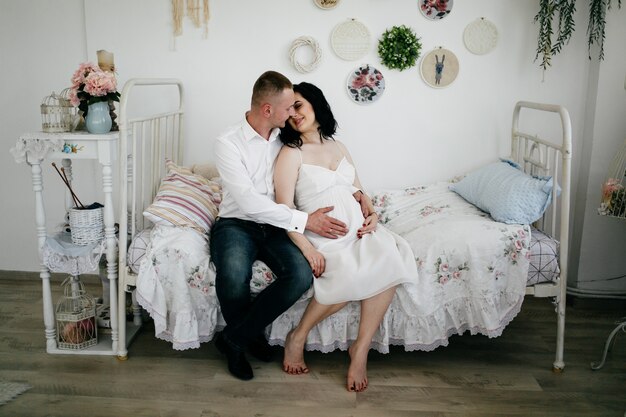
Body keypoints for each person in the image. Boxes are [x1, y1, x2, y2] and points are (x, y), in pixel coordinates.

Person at [211, 71, 369, 381]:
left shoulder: (287, 139)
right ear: (268, 110)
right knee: (232, 275)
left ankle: (234, 338)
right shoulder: (228, 142)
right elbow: (246, 201)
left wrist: (360, 199)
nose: (292, 115)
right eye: (288, 108)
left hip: (276, 226)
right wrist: (305, 220)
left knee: (298, 274)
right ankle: (243, 343)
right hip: (237, 223)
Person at [274, 82, 418, 392]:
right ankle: (298, 335)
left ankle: (360, 349)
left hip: (360, 230)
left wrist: (373, 213)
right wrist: (308, 248)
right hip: (325, 237)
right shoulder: (290, 153)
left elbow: (359, 188)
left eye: (298, 106)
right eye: (288, 112)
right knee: (350, 272)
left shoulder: (338, 146)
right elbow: (282, 211)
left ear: (315, 104)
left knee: (390, 256)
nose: (294, 115)